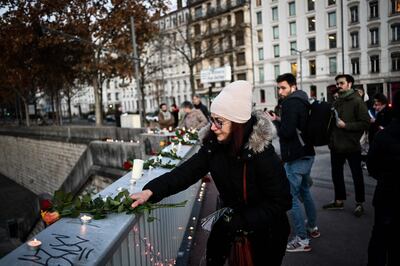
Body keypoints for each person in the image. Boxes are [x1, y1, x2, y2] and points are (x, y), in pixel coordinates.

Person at [130, 81, 292, 265]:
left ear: (238, 123)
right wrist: (150, 191)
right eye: (212, 119)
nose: (213, 127)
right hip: (229, 225)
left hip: (265, 236)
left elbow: (282, 201)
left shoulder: (263, 154)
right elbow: (186, 172)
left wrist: (243, 220)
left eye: (219, 121)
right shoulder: (214, 146)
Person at [267, 73, 319, 253]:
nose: (280, 91)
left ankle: (302, 239)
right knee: (305, 191)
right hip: (307, 153)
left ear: (292, 86)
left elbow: (288, 133)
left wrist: (277, 126)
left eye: (283, 88)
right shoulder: (303, 99)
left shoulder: (289, 103)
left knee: (293, 198)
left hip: (295, 155)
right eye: (279, 88)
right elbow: (297, 125)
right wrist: (279, 119)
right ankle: (312, 227)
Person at [323, 74, 370, 217]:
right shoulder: (337, 101)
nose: (338, 86)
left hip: (351, 145)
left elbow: (365, 123)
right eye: (337, 84)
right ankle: (338, 201)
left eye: (341, 83)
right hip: (336, 146)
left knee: (357, 175)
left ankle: (359, 203)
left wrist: (346, 125)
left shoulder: (357, 101)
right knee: (336, 174)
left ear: (349, 84)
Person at [367, 91, 400, 266]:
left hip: (387, 193)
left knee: (380, 237)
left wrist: (385, 176)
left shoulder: (384, 135)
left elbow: (372, 166)